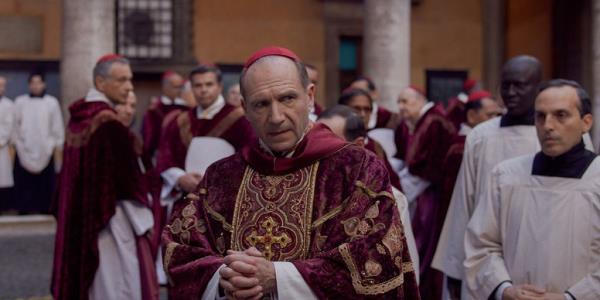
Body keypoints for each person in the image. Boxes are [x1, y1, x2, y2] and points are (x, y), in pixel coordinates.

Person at [161, 46, 420, 299]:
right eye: (261, 104)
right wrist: (224, 278)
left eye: (287, 98)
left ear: (309, 96)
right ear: (244, 108)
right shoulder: (221, 176)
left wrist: (279, 277)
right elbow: (181, 248)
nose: (276, 117)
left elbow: (376, 258)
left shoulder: (357, 169)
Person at [464, 79, 599, 300]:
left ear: (586, 122)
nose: (548, 125)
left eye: (561, 115)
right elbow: (482, 246)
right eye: (540, 116)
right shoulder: (506, 176)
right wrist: (504, 289)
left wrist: (570, 298)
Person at [432, 55, 544, 299]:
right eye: (506, 85)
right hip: (484, 261)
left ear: (538, 88)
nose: (511, 92)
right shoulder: (481, 136)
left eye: (520, 85)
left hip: (541, 258)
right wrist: (455, 269)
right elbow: (464, 203)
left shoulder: (554, 137)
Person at [51, 54, 158, 300]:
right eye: (121, 80)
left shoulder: (78, 121)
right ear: (100, 83)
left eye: (129, 79)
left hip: (78, 223)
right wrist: (146, 219)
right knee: (116, 285)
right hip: (111, 223)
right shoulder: (111, 125)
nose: (130, 86)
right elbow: (128, 187)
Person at [317, 104, 419, 278]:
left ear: (358, 146)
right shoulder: (302, 187)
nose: (317, 151)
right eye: (313, 141)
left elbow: (403, 270)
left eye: (328, 143)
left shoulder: (387, 198)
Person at [394, 85, 456, 300]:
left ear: (419, 100)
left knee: (422, 243)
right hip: (416, 192)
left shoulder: (435, 121)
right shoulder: (414, 122)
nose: (400, 107)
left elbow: (433, 166)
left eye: (405, 102)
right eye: (399, 102)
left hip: (429, 196)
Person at [12, 72, 64, 214]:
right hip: (24, 149)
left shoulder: (52, 102)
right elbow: (14, 125)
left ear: (44, 84)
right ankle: (24, 209)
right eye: (33, 83)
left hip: (45, 149)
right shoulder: (20, 102)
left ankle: (45, 208)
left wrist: (54, 143)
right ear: (29, 85)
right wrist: (18, 143)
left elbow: (57, 125)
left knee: (45, 184)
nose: (36, 86)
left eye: (38, 82)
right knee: (24, 183)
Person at [338, 88, 402, 190]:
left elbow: (392, 182)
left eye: (367, 110)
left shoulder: (376, 146)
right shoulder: (335, 143)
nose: (362, 114)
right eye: (357, 109)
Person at [141, 70, 188, 161]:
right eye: (176, 87)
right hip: (161, 157)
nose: (179, 91)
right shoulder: (154, 110)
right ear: (165, 87)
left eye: (181, 87)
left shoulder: (185, 108)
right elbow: (149, 138)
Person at [0, 76, 14, 213]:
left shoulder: (9, 105)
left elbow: (8, 125)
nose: (1, 88)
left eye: (3, 85)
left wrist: (1, 140)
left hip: (1, 147)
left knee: (2, 180)